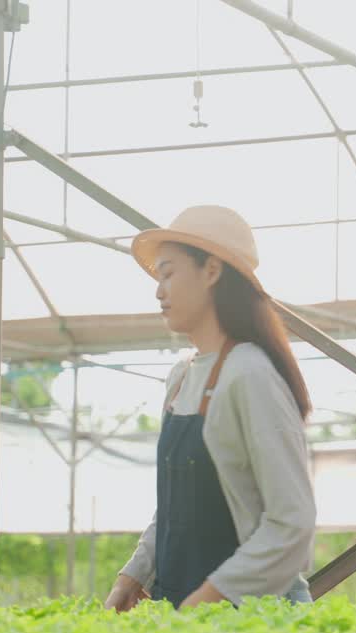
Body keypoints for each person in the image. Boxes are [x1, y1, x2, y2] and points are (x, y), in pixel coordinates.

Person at [104, 205, 317, 610]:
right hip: (187, 610)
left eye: (168, 273)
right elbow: (176, 507)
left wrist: (211, 597)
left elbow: (292, 523)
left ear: (212, 272)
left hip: (254, 617)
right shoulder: (181, 376)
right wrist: (134, 574)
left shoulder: (249, 373)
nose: (158, 290)